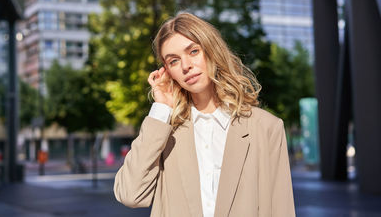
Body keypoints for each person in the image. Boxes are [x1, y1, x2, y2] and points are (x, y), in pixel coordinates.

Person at [114, 12, 295, 217]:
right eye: (173, 61)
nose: (185, 66)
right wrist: (161, 108)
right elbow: (130, 194)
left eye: (193, 51)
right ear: (167, 71)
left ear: (211, 50)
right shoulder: (165, 131)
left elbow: (282, 209)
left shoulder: (266, 127)